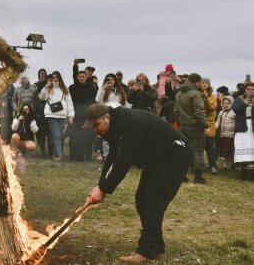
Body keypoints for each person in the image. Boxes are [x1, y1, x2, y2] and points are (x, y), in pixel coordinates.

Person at [84, 103, 191, 263]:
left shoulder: (130, 122)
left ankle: (146, 251)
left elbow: (124, 160)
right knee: (142, 199)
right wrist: (101, 186)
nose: (96, 130)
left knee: (152, 201)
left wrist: (104, 188)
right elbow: (112, 157)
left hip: (175, 155)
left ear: (107, 117)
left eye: (97, 125)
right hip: (158, 158)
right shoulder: (116, 125)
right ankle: (156, 247)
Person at [174, 73, 209, 183]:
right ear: (197, 82)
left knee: (184, 151)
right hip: (196, 127)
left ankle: (181, 175)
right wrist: (206, 125)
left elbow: (176, 111)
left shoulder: (178, 94)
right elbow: (199, 112)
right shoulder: (196, 94)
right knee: (198, 152)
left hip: (183, 126)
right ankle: (198, 177)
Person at [38, 71, 74, 161]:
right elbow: (42, 98)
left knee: (59, 135)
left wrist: (70, 116)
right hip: (51, 114)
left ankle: (55, 153)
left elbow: (69, 103)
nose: (55, 78)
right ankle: (59, 154)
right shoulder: (48, 88)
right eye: (53, 77)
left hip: (62, 115)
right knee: (57, 134)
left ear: (59, 77)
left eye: (57, 77)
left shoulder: (64, 89)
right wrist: (46, 86)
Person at [69, 64, 98, 161]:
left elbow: (95, 100)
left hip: (87, 115)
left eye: (83, 76)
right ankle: (74, 156)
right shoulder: (72, 88)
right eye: (80, 76)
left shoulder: (92, 87)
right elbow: (70, 101)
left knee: (87, 135)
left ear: (87, 77)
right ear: (77, 78)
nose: (82, 78)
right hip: (76, 114)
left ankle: (85, 156)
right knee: (74, 135)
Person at [232, 82, 254, 174]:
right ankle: (244, 168)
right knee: (243, 144)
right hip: (243, 126)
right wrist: (244, 104)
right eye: (248, 89)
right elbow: (235, 110)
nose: (250, 91)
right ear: (245, 90)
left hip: (252, 126)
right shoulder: (239, 99)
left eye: (252, 89)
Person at [200, 78, 218, 174]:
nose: (204, 84)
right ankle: (198, 166)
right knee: (198, 146)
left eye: (206, 83)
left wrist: (206, 98)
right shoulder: (197, 94)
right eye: (202, 82)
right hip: (198, 123)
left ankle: (212, 166)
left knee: (210, 146)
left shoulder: (213, 97)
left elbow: (212, 108)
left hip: (209, 123)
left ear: (209, 85)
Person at [215, 96, 236, 170]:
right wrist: (214, 128)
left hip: (231, 134)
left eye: (228, 103)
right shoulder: (221, 112)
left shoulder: (234, 112)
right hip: (222, 134)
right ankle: (226, 164)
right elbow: (217, 122)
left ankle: (228, 164)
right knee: (224, 150)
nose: (226, 105)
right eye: (224, 103)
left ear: (231, 103)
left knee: (229, 150)